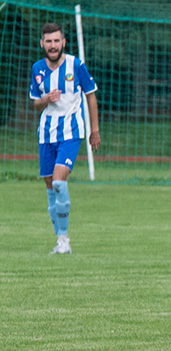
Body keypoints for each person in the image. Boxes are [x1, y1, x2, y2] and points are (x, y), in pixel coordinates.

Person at [30, 22, 100, 254]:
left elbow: (90, 96)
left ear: (64, 43)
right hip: (46, 134)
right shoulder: (37, 69)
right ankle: (61, 239)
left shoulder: (76, 65)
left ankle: (65, 241)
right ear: (42, 44)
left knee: (60, 181)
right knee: (50, 187)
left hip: (71, 132)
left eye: (56, 41)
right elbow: (35, 104)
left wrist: (95, 131)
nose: (53, 45)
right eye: (48, 41)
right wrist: (45, 99)